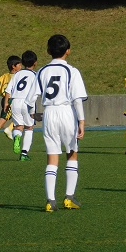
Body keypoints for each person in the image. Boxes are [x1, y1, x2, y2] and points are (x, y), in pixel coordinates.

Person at [25, 34, 88, 212]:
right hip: (66, 112)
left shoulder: (42, 71)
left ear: (48, 51)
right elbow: (77, 99)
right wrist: (81, 121)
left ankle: (50, 201)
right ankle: (69, 197)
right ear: (68, 51)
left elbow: (31, 99)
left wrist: (32, 114)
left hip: (49, 114)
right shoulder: (72, 71)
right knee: (72, 153)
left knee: (52, 157)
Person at [3, 50, 38, 160]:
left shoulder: (17, 74)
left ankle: (17, 136)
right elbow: (36, 91)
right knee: (29, 127)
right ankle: (24, 153)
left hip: (15, 101)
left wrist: (5, 103)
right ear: (35, 62)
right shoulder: (35, 75)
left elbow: (8, 90)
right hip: (27, 102)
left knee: (18, 126)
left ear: (22, 62)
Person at [0, 55, 22, 141]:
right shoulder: (17, 77)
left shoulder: (4, 76)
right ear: (14, 66)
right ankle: (9, 129)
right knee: (23, 116)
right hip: (11, 101)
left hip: (5, 100)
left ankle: (9, 128)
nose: (21, 66)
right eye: (19, 65)